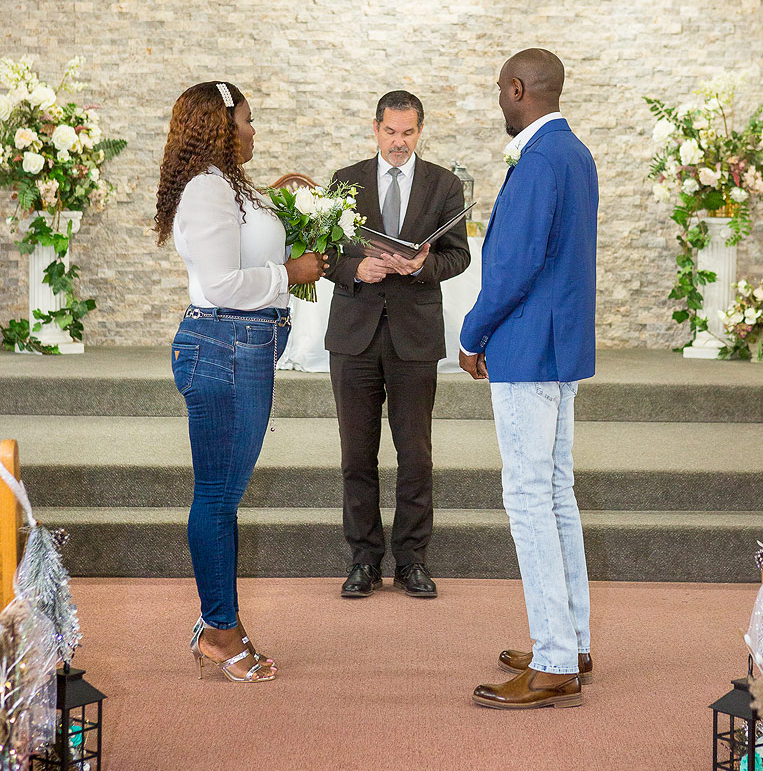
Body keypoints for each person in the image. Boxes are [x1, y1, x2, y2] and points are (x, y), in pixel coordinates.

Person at [155, 80, 327, 683]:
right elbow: (225, 283)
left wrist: (274, 197)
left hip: (239, 347)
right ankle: (220, 632)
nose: (255, 131)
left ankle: (218, 620)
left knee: (222, 495)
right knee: (217, 498)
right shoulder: (206, 188)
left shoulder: (225, 185)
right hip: (224, 346)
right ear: (222, 126)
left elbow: (241, 235)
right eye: (248, 122)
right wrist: (291, 272)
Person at [459, 49, 598, 710]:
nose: (497, 102)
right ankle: (570, 641)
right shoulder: (573, 152)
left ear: (518, 89)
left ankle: (551, 662)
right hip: (559, 345)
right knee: (554, 492)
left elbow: (511, 265)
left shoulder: (538, 157)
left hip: (525, 348)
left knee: (527, 498)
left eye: (498, 91)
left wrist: (470, 332)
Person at [325, 90, 470, 599]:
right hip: (354, 335)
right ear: (375, 128)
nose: (399, 142)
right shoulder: (345, 181)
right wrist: (355, 268)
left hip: (413, 334)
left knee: (416, 455)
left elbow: (459, 257)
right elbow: (322, 255)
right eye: (391, 132)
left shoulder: (444, 185)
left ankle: (412, 561)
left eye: (408, 133)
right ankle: (363, 560)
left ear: (420, 131)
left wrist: (423, 266)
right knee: (356, 456)